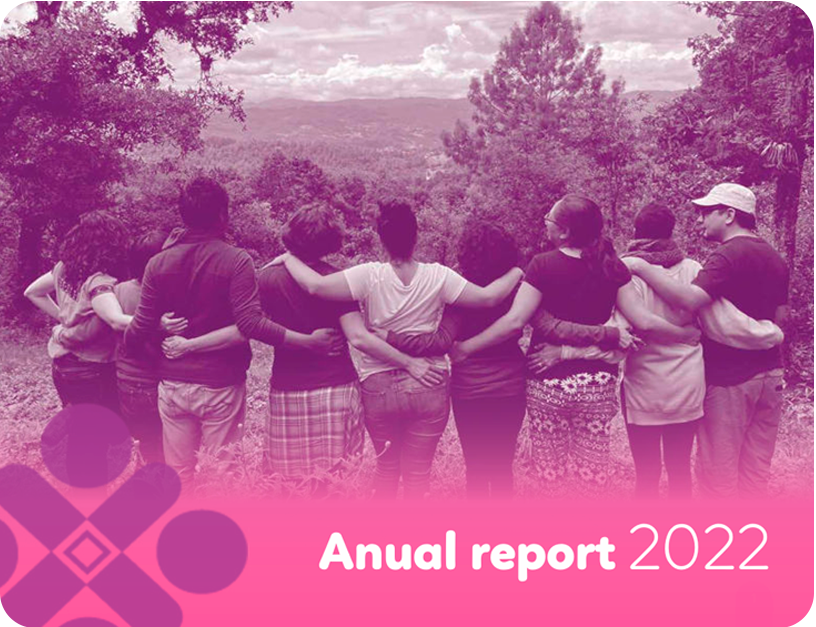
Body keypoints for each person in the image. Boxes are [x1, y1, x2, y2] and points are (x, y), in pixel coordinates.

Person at [162, 204, 442, 494]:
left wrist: (187, 343)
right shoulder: (336, 280)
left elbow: (245, 328)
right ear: (332, 241)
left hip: (288, 388)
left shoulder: (266, 278)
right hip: (336, 387)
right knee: (336, 480)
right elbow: (357, 336)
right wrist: (409, 362)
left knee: (287, 483)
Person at [450, 194, 699, 497]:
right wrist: (683, 335)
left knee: (549, 475)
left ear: (564, 231)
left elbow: (515, 321)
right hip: (596, 385)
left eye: (549, 220)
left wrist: (467, 348)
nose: (546, 224)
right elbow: (643, 321)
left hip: (548, 383)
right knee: (592, 476)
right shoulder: (612, 267)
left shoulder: (542, 265)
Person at [276, 200, 524, 499]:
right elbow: (487, 298)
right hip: (428, 382)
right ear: (416, 235)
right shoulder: (439, 276)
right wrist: (517, 272)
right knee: (418, 476)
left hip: (378, 385)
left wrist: (289, 259)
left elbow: (315, 286)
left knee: (386, 470)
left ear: (380, 238)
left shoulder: (367, 274)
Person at [124, 177, 342, 488]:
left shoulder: (157, 263)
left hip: (173, 384)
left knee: (178, 474)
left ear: (183, 215)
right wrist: (307, 342)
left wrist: (161, 338)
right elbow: (250, 323)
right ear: (222, 215)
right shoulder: (237, 261)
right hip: (220, 383)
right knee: (221, 477)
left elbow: (137, 331)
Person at [626, 184, 789, 498]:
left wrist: (642, 266)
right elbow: (781, 317)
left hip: (731, 378)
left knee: (718, 476)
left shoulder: (725, 256)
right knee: (756, 472)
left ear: (729, 215)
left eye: (706, 212)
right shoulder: (775, 257)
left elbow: (689, 300)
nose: (700, 219)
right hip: (772, 374)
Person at [381, 221, 526, 498]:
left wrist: (391, 337)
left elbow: (440, 342)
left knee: (476, 468)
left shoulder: (461, 293)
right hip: (510, 385)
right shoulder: (518, 290)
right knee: (502, 467)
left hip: (470, 389)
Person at [24, 211, 131, 412]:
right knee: (105, 427)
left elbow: (33, 292)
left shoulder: (63, 268)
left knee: (79, 424)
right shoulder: (100, 282)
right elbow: (116, 320)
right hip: (92, 368)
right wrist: (157, 322)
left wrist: (65, 319)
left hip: (62, 363)